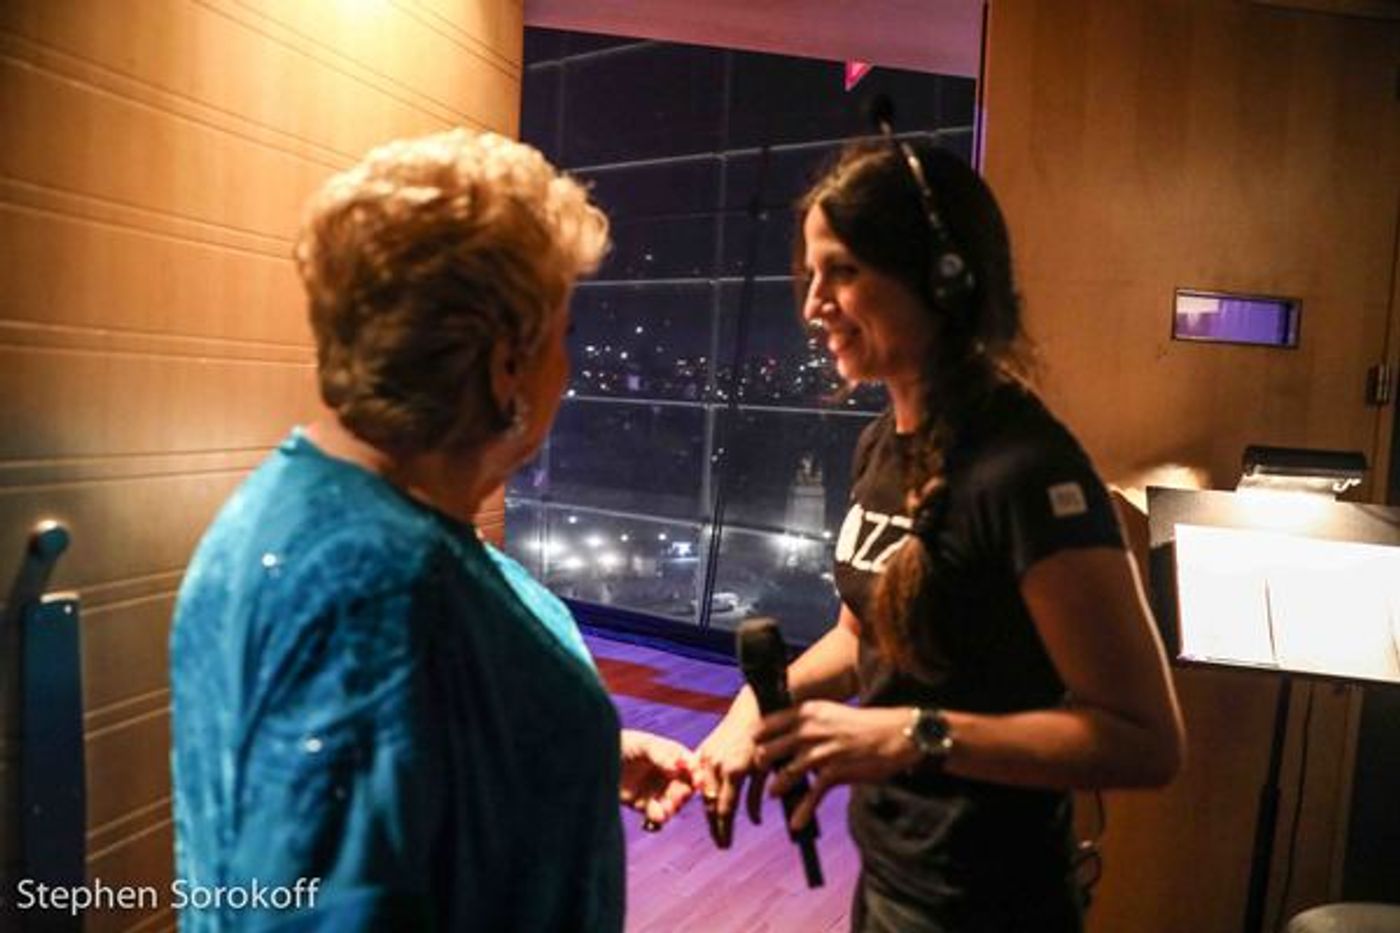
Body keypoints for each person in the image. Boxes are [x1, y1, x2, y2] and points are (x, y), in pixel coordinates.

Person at [169, 129, 694, 932]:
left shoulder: (316, 513)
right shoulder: (379, 598)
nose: (571, 370)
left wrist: (580, 757)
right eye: (562, 336)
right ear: (504, 367)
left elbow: (413, 777)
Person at [694, 139, 1187, 933]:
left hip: (993, 902)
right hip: (894, 878)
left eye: (843, 271)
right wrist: (753, 710)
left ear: (943, 278)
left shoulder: (1027, 470)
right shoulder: (879, 447)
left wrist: (910, 733)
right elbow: (862, 635)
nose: (812, 302)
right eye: (811, 272)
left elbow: (1144, 741)